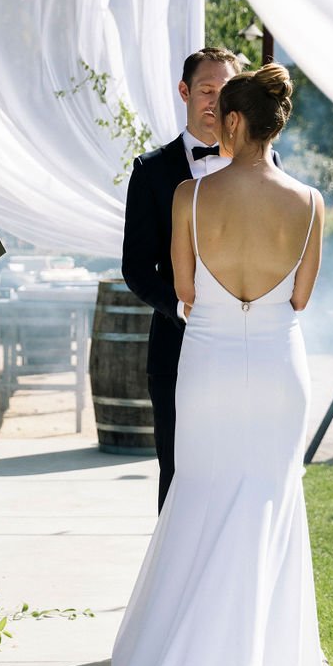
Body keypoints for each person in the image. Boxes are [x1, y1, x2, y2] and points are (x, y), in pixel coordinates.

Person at [0, 63, 333, 666]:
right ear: (276, 125)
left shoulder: (189, 195)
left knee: (197, 499)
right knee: (269, 507)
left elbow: (186, 292)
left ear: (231, 124)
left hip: (203, 368)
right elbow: (301, 299)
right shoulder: (310, 203)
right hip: (277, 371)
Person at [121, 46, 240, 512]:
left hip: (244, 350)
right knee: (178, 473)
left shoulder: (264, 169)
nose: (215, 102)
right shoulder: (151, 171)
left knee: (237, 472)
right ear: (185, 92)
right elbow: (136, 269)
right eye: (206, 90)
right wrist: (183, 309)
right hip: (177, 349)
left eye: (226, 91)